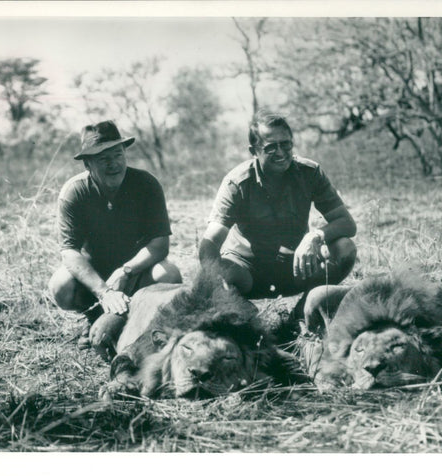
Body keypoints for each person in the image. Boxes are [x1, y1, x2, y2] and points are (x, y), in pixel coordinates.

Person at [48, 120, 181, 353]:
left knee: (168, 274)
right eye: (103, 159)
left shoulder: (146, 184)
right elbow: (69, 252)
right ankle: (93, 316)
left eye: (118, 155)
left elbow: (159, 245)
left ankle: (141, 320)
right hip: (94, 279)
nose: (113, 164)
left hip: (136, 272)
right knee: (60, 285)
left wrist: (126, 271)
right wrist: (104, 291)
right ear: (87, 164)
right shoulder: (74, 192)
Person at [199, 110, 357, 301]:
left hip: (297, 267)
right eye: (271, 147)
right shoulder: (236, 182)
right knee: (215, 271)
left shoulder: (310, 173)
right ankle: (239, 311)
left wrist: (314, 237)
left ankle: (304, 311)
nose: (280, 152)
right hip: (247, 271)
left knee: (345, 247)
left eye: (286, 144)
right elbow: (210, 243)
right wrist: (220, 288)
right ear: (254, 151)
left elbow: (347, 223)